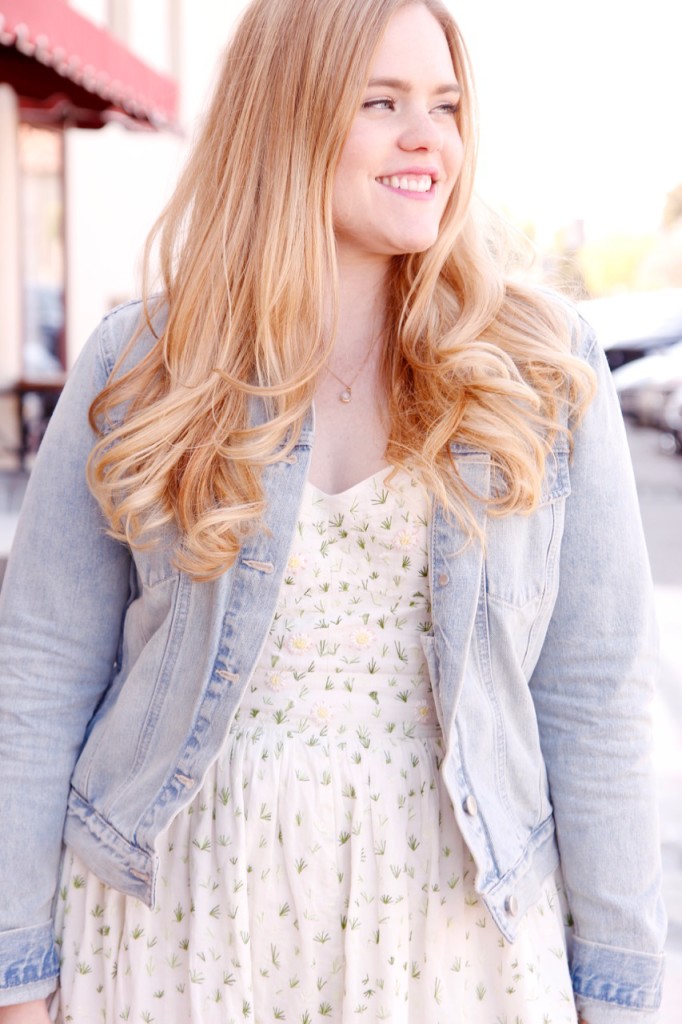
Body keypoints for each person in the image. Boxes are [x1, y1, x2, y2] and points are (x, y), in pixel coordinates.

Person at [0, 1, 666, 1021]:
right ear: (291, 115)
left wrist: (619, 990)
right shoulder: (142, 366)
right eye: (382, 103)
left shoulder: (539, 366)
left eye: (445, 106)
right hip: (173, 925)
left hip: (452, 944)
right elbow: (39, 676)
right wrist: (20, 972)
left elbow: (596, 695)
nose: (426, 139)